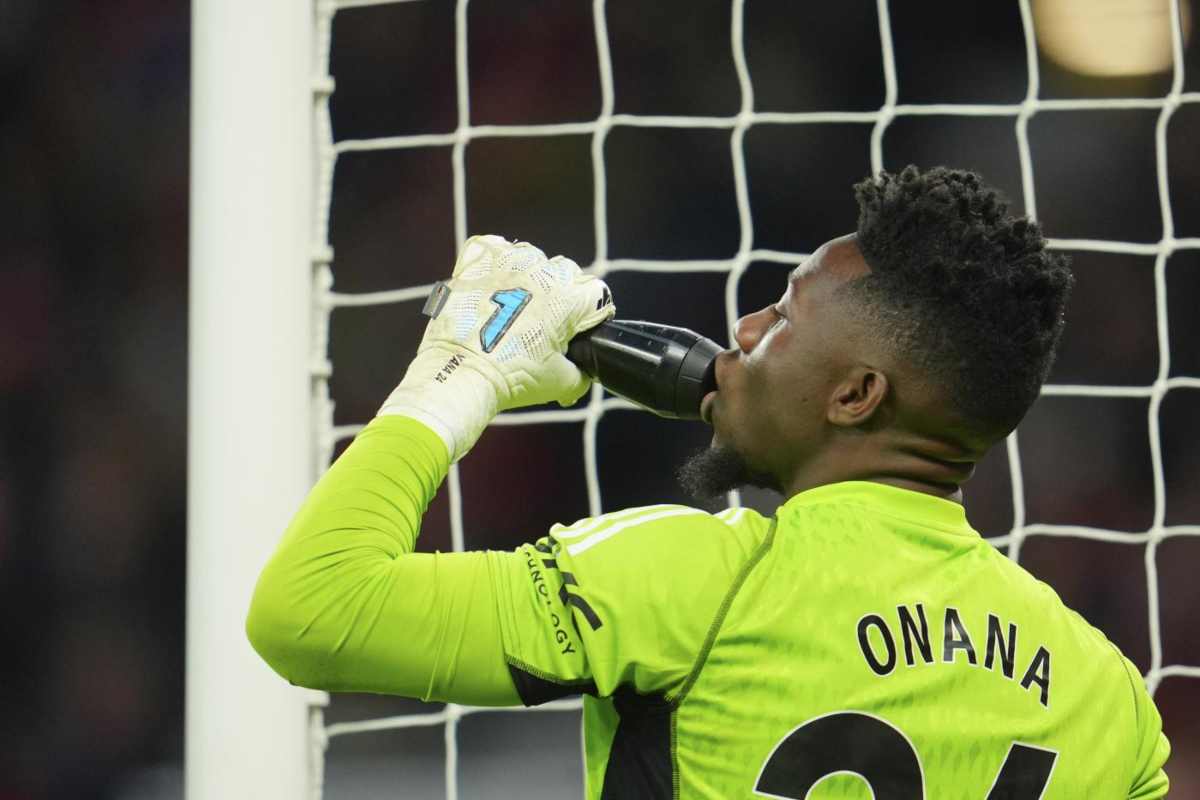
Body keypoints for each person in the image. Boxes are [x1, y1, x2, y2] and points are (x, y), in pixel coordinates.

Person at [246, 165, 1169, 798]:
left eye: (785, 317)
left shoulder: (696, 582)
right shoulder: (1108, 700)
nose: (747, 327)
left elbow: (312, 610)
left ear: (854, 395)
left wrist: (458, 376)